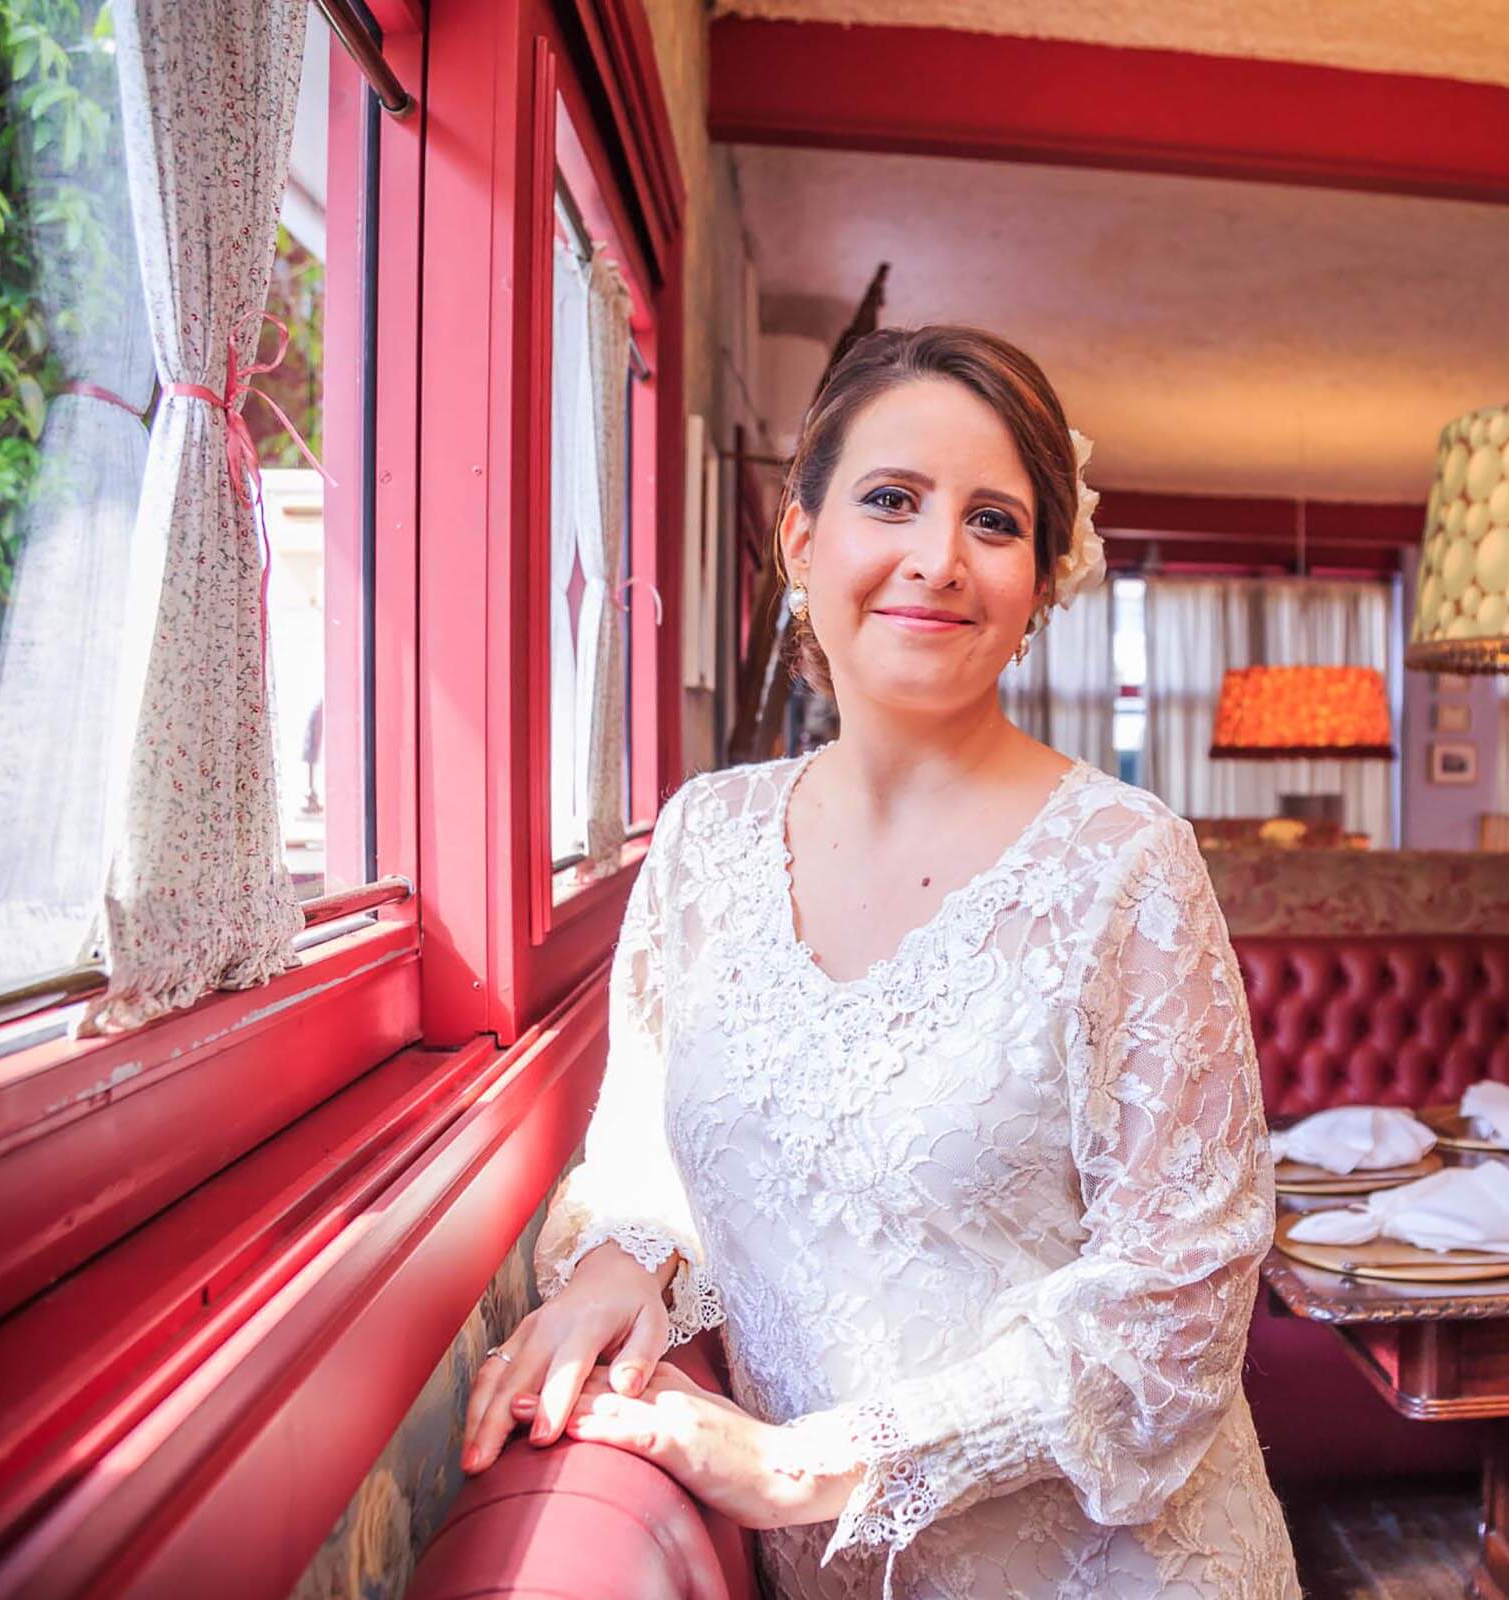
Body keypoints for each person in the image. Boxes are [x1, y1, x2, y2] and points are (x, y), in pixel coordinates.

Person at [461, 325, 1298, 1598]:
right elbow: (645, 1148)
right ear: (803, 539)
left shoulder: (1127, 863)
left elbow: (1175, 1311)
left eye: (994, 522)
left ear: (1040, 581)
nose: (938, 557)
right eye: (893, 499)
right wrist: (625, 1261)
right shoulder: (703, 842)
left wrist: (810, 1465)